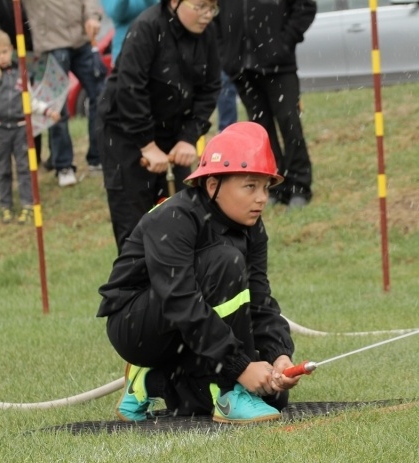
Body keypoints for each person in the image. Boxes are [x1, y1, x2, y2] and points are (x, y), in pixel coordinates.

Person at [97, 122, 300, 424]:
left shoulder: (253, 228)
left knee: (274, 396)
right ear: (212, 184)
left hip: (187, 325)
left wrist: (278, 355)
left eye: (266, 187)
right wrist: (241, 368)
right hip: (135, 327)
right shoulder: (175, 218)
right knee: (225, 261)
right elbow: (180, 300)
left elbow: (259, 301)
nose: (261, 198)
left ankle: (149, 384)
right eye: (250, 186)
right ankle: (229, 391)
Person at [97, 0, 220, 253]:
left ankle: (176, 288)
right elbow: (131, 89)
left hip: (173, 134)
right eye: (200, 7)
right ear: (175, 2)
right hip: (126, 135)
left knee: (181, 224)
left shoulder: (207, 34)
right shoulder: (146, 28)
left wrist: (189, 137)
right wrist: (146, 144)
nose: (207, 15)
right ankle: (135, 289)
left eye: (213, 7)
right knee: (134, 231)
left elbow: (209, 89)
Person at [216, 0, 316, 208]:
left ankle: (299, 186)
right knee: (260, 129)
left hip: (279, 66)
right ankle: (274, 184)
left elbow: (305, 7)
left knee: (289, 122)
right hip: (241, 68)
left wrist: (283, 43)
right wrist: (226, 55)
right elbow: (214, 18)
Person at [0, 30, 61, 224]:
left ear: (12, 50)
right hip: (0, 129)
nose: (2, 57)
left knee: (25, 167)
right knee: (3, 168)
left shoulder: (20, 71)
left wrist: (47, 111)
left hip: (21, 128)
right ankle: (5, 205)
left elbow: (29, 101)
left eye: (5, 52)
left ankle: (27, 203)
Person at [22, 0, 105, 186]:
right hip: (51, 44)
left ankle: (97, 158)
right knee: (57, 106)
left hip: (81, 40)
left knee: (101, 96)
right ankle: (63, 165)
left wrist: (92, 16)